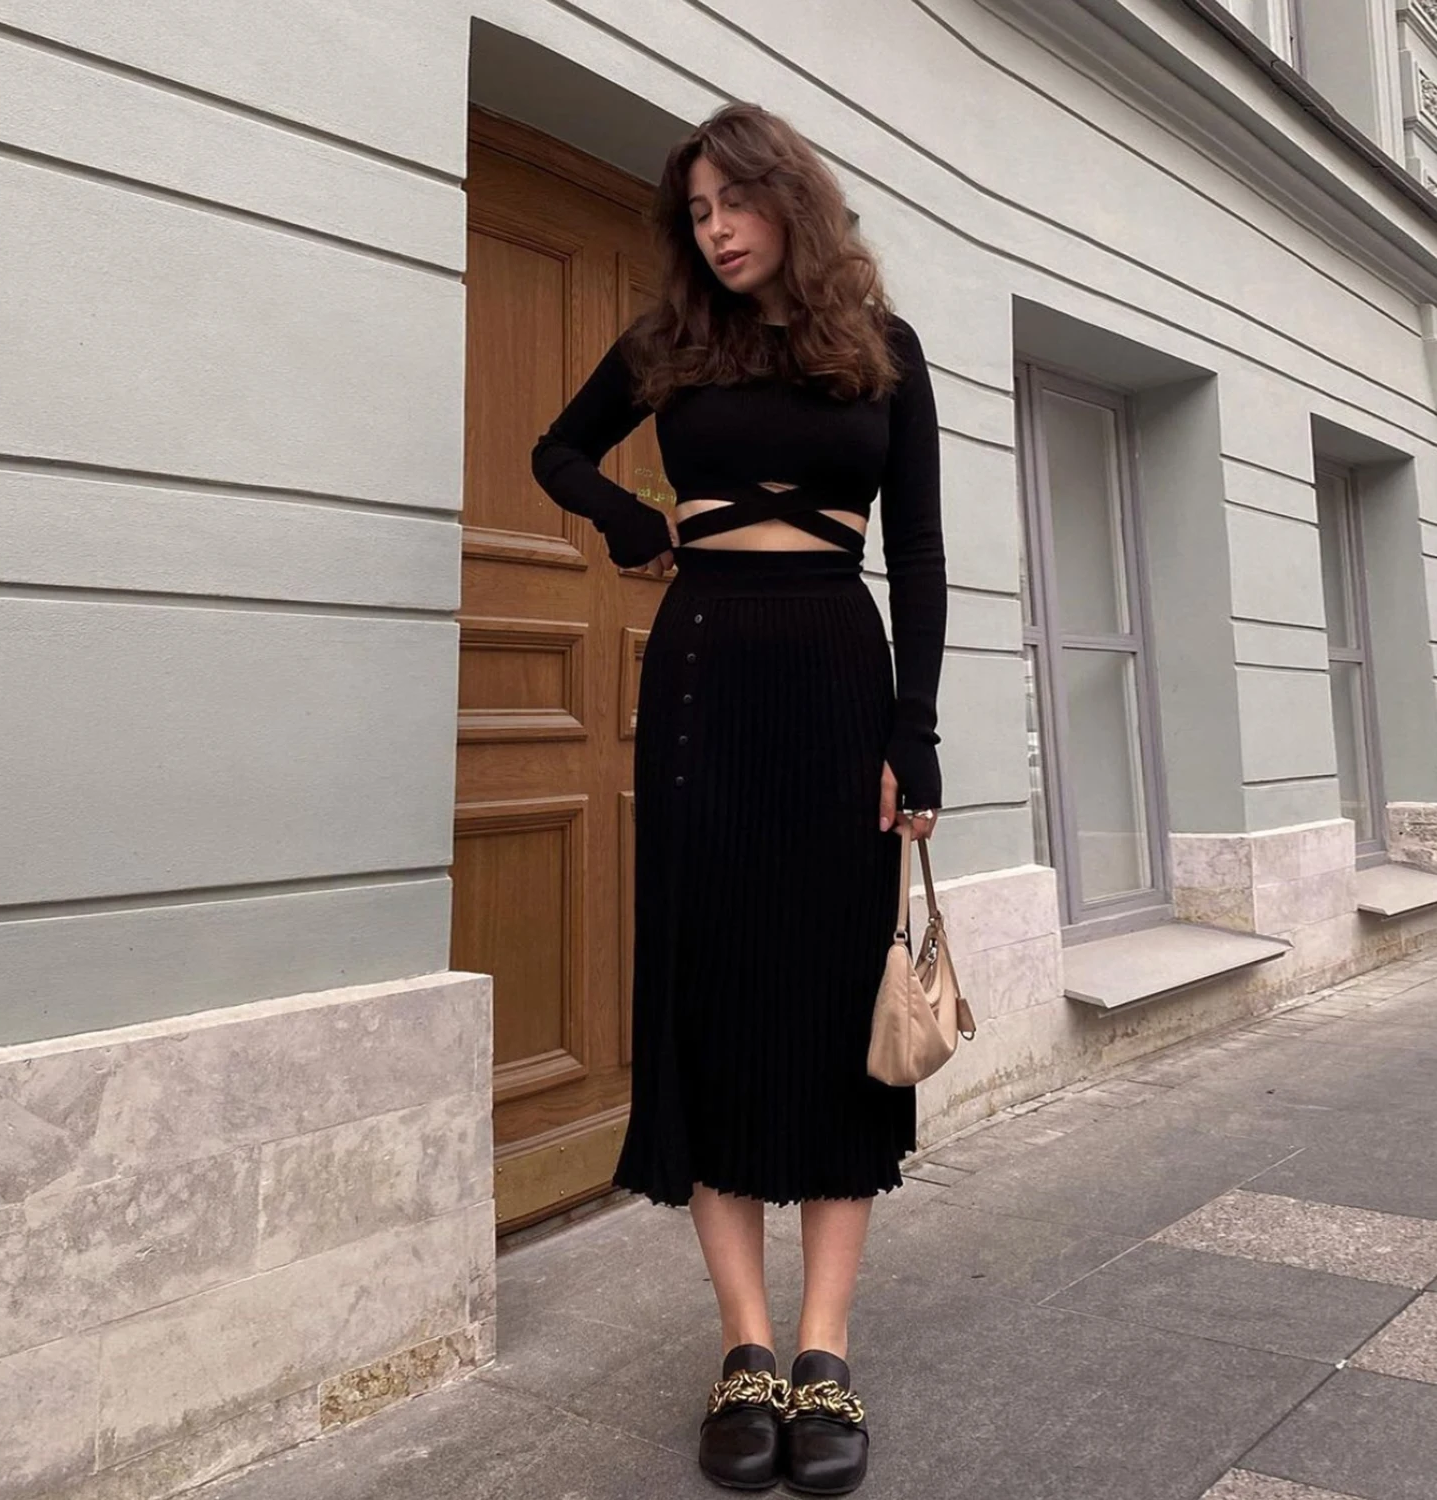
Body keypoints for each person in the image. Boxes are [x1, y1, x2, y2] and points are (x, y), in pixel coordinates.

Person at [530, 100, 946, 1497]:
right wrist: (628, 522)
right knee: (711, 995)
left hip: (837, 672)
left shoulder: (884, 353)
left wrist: (915, 735)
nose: (715, 230)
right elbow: (558, 451)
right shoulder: (670, 343)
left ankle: (825, 1350)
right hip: (704, 674)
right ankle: (747, 1350)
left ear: (791, 201)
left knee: (830, 1002)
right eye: (697, 212)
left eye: (735, 202)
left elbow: (922, 557)